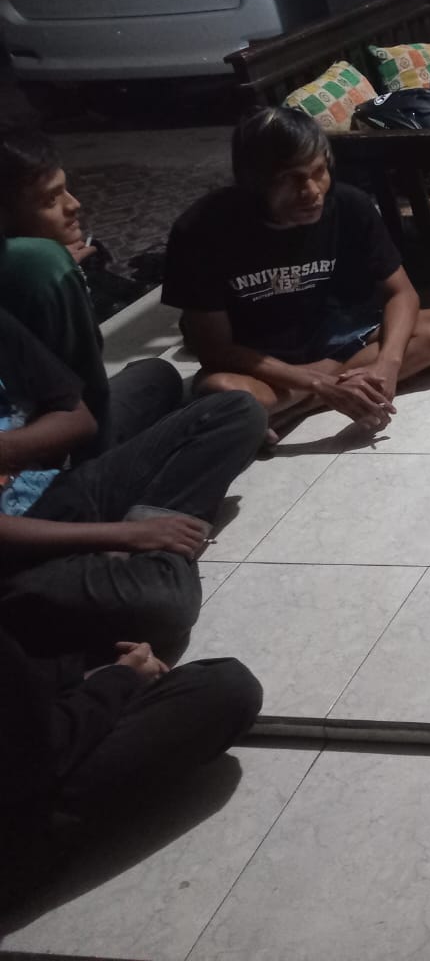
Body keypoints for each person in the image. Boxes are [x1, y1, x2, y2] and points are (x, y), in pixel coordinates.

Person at [162, 107, 430, 439]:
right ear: (254, 182)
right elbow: (214, 348)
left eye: (318, 172)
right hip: (265, 360)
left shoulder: (350, 205)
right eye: (289, 179)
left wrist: (387, 366)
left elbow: (401, 292)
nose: (311, 191)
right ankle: (324, 392)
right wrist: (318, 381)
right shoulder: (201, 229)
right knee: (222, 390)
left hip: (344, 339)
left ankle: (294, 409)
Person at [0, 306, 266, 659]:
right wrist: (126, 535)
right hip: (15, 559)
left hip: (55, 487)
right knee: (166, 605)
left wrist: (10, 448)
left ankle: (151, 534)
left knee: (233, 408)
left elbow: (77, 419)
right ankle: (154, 543)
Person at [0, 625, 261, 906]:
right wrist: (119, 679)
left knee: (143, 620)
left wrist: (81, 673)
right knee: (226, 687)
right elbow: (43, 749)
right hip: (21, 819)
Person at [0, 130, 183, 457]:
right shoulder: (43, 266)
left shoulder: (32, 262)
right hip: (58, 446)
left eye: (66, 189)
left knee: (157, 374)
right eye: (50, 200)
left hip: (51, 425)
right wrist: (60, 273)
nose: (74, 204)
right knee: (233, 413)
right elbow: (91, 393)